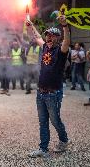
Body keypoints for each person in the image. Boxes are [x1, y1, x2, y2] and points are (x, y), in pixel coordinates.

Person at [26, 15, 71, 158]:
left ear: (57, 38)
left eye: (52, 36)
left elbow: (67, 42)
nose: (49, 38)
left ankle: (63, 140)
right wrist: (30, 25)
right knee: (43, 121)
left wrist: (64, 26)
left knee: (55, 120)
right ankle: (43, 149)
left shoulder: (61, 51)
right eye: (47, 36)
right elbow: (37, 36)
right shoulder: (45, 46)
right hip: (41, 92)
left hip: (53, 93)